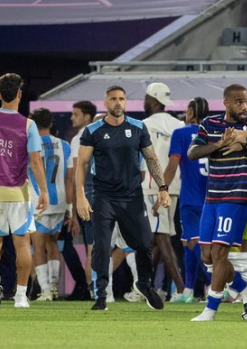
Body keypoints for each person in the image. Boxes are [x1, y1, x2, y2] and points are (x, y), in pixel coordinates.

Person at [75, 85, 168, 311]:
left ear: (126, 103)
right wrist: (80, 196)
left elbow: (151, 158)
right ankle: (100, 296)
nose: (118, 103)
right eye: (113, 99)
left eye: (122, 99)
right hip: (103, 197)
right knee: (102, 247)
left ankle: (144, 284)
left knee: (145, 245)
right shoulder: (93, 130)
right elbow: (82, 164)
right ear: (105, 103)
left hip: (133, 198)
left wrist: (163, 187)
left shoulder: (138, 127)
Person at [0, 74, 48, 309]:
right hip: (17, 192)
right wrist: (43, 190)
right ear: (19, 94)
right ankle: (21, 296)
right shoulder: (28, 124)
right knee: (22, 244)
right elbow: (35, 161)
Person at [188, 84, 247, 322]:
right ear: (226, 103)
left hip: (236, 197)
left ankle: (211, 309)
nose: (244, 106)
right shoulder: (209, 124)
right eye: (239, 101)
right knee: (207, 256)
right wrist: (218, 145)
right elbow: (192, 153)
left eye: (246, 101)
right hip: (212, 197)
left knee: (220, 252)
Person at [141, 82, 185, 299]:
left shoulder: (144, 125)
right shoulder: (179, 124)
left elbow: (141, 160)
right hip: (175, 185)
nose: (144, 102)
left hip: (153, 188)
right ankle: (144, 286)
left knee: (161, 236)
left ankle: (181, 288)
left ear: (153, 101)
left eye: (146, 98)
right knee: (157, 239)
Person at [164, 97, 210, 303]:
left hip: (190, 198)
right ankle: (188, 291)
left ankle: (223, 285)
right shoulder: (212, 133)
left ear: (190, 113)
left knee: (193, 241)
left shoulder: (181, 134)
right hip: (211, 197)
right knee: (187, 242)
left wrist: (162, 189)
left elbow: (173, 166)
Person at [27, 108, 72, 302]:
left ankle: (45, 290)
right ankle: (53, 287)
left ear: (32, 124)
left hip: (39, 202)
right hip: (60, 202)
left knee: (38, 247)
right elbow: (70, 179)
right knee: (53, 244)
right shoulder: (64, 145)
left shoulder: (28, 145)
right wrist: (70, 206)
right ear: (51, 123)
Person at [67, 100, 96, 300]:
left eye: (75, 114)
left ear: (87, 117)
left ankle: (94, 289)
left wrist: (78, 202)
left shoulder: (81, 138)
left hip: (89, 197)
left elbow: (78, 173)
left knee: (92, 247)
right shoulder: (100, 133)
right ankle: (96, 289)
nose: (71, 118)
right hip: (102, 196)